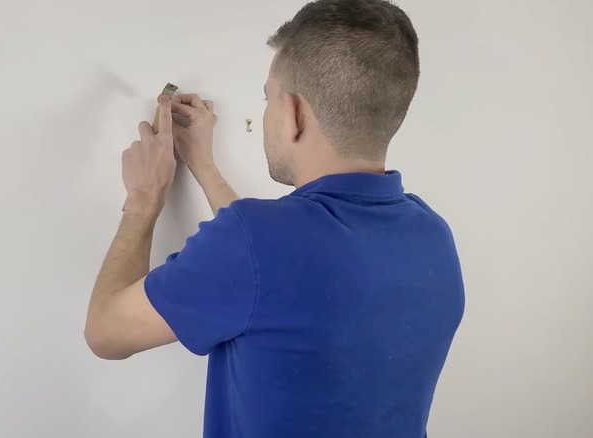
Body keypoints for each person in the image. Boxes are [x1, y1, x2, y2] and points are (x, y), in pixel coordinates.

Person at [84, 0, 465, 436]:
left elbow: (105, 332)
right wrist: (205, 168)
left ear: (295, 114)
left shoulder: (257, 244)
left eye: (267, 98)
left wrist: (144, 197)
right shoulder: (434, 238)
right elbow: (271, 272)